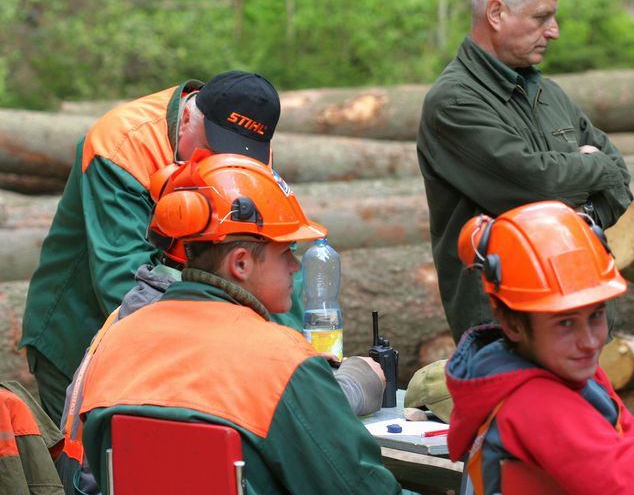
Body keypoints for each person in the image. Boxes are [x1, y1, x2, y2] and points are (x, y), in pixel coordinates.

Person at [76, 153, 403, 494]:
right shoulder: (282, 360)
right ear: (241, 263)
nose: (295, 266)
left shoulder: (117, 340)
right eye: (285, 251)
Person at [18, 70, 306, 423]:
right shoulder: (121, 144)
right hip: (81, 326)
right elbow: (120, 281)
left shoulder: (246, 153)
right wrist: (225, 354)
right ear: (186, 118)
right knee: (93, 468)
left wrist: (294, 355)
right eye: (212, 148)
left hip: (183, 334)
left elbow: (269, 253)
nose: (220, 163)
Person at [417, 0, 632, 342]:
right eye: (541, 18)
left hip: (583, 314)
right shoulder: (454, 102)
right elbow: (538, 183)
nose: (554, 32)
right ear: (496, 13)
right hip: (510, 331)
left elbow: (620, 180)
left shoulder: (549, 94)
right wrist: (588, 175)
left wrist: (580, 213)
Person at [445, 201, 634, 494]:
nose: (589, 342)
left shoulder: (572, 372)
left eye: (596, 316)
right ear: (512, 324)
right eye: (565, 323)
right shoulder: (536, 404)